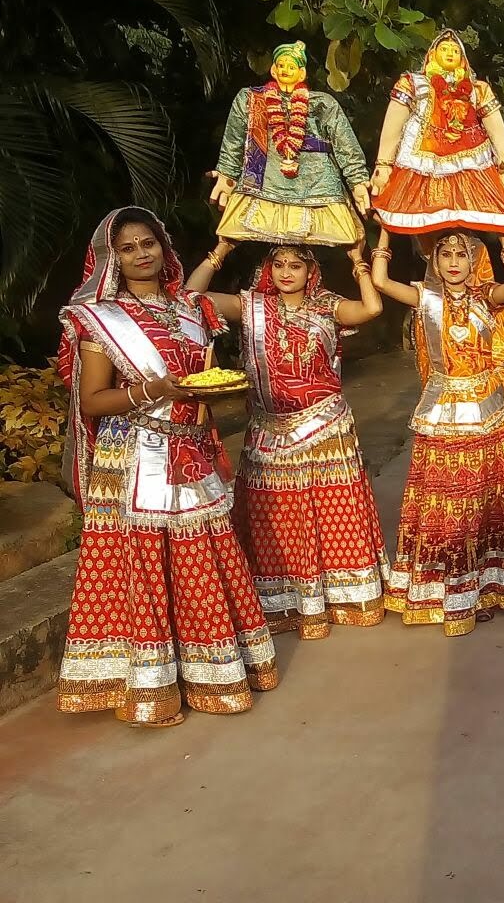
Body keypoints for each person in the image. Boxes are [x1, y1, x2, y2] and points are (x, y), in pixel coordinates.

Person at [55, 207, 277, 727]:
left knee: (201, 558)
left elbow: (233, 339)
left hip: (192, 449)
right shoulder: (99, 317)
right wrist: (154, 390)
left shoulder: (189, 308)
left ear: (164, 246)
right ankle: (151, 689)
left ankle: (212, 676)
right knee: (147, 567)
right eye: (128, 247)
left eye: (148, 242)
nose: (141, 253)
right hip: (135, 454)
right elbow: (92, 401)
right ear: (113, 258)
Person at [185, 239, 389, 640]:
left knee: (333, 512)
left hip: (324, 427)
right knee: (273, 515)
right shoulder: (253, 307)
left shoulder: (326, 305)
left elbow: (372, 308)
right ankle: (284, 600)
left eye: (296, 265)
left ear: (310, 271)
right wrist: (220, 250)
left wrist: (357, 262)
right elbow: (192, 296)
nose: (286, 272)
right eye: (279, 264)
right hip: (268, 429)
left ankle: (343, 596)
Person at [371, 229, 504, 636]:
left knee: (482, 500)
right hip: (441, 412)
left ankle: (485, 586)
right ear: (435, 261)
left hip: (485, 411)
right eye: (445, 255)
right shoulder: (426, 298)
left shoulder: (485, 299)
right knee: (443, 501)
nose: (453, 262)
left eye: (462, 255)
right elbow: (379, 282)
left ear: (473, 260)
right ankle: (441, 589)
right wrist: (385, 233)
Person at [209, 41, 370, 246]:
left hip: (317, 185)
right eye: (281, 65)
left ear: (301, 74)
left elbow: (344, 143)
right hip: (263, 183)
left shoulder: (322, 102)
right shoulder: (250, 99)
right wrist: (227, 175)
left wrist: (357, 181)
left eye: (291, 66)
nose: (285, 70)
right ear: (274, 70)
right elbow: (234, 140)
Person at [369, 30, 504, 236]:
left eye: (456, 50)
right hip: (422, 167)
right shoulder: (413, 83)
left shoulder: (477, 88)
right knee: (409, 223)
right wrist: (383, 164)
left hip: (471, 168)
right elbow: (393, 125)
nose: (450, 53)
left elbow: (497, 129)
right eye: (445, 49)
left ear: (463, 59)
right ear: (432, 55)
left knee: (487, 225)